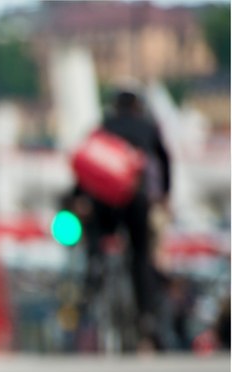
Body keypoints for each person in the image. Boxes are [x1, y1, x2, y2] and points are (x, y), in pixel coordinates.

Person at [74, 84, 172, 351]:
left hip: (103, 202)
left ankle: (93, 279)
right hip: (135, 199)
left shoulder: (103, 127)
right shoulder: (148, 127)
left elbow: (87, 165)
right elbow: (164, 161)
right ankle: (145, 316)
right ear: (138, 106)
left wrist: (79, 198)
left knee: (95, 240)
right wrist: (164, 195)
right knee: (140, 254)